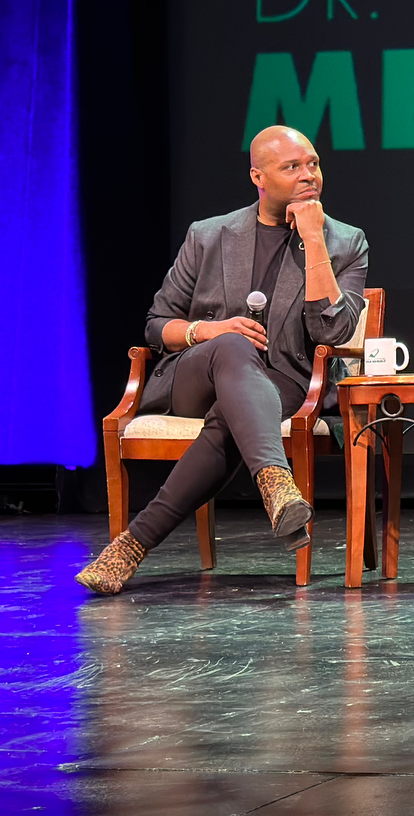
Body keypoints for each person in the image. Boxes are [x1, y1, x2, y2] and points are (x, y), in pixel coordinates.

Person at [76, 127, 369, 594]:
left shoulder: (345, 242)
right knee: (232, 346)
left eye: (312, 163)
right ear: (258, 175)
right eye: (291, 167)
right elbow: (157, 325)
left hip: (284, 381)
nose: (308, 175)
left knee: (232, 420)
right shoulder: (209, 235)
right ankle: (274, 479)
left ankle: (133, 542)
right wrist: (209, 330)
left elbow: (332, 332)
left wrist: (314, 241)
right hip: (197, 373)